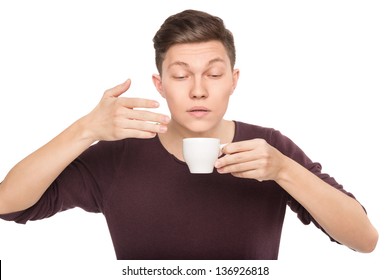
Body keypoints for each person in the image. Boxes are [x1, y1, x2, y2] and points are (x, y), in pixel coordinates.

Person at [0, 9, 378, 260]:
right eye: (181, 76)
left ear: (233, 81)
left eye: (213, 74)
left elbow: (364, 240)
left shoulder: (268, 149)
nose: (198, 90)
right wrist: (84, 130)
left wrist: (283, 170)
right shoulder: (120, 155)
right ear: (160, 84)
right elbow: (8, 203)